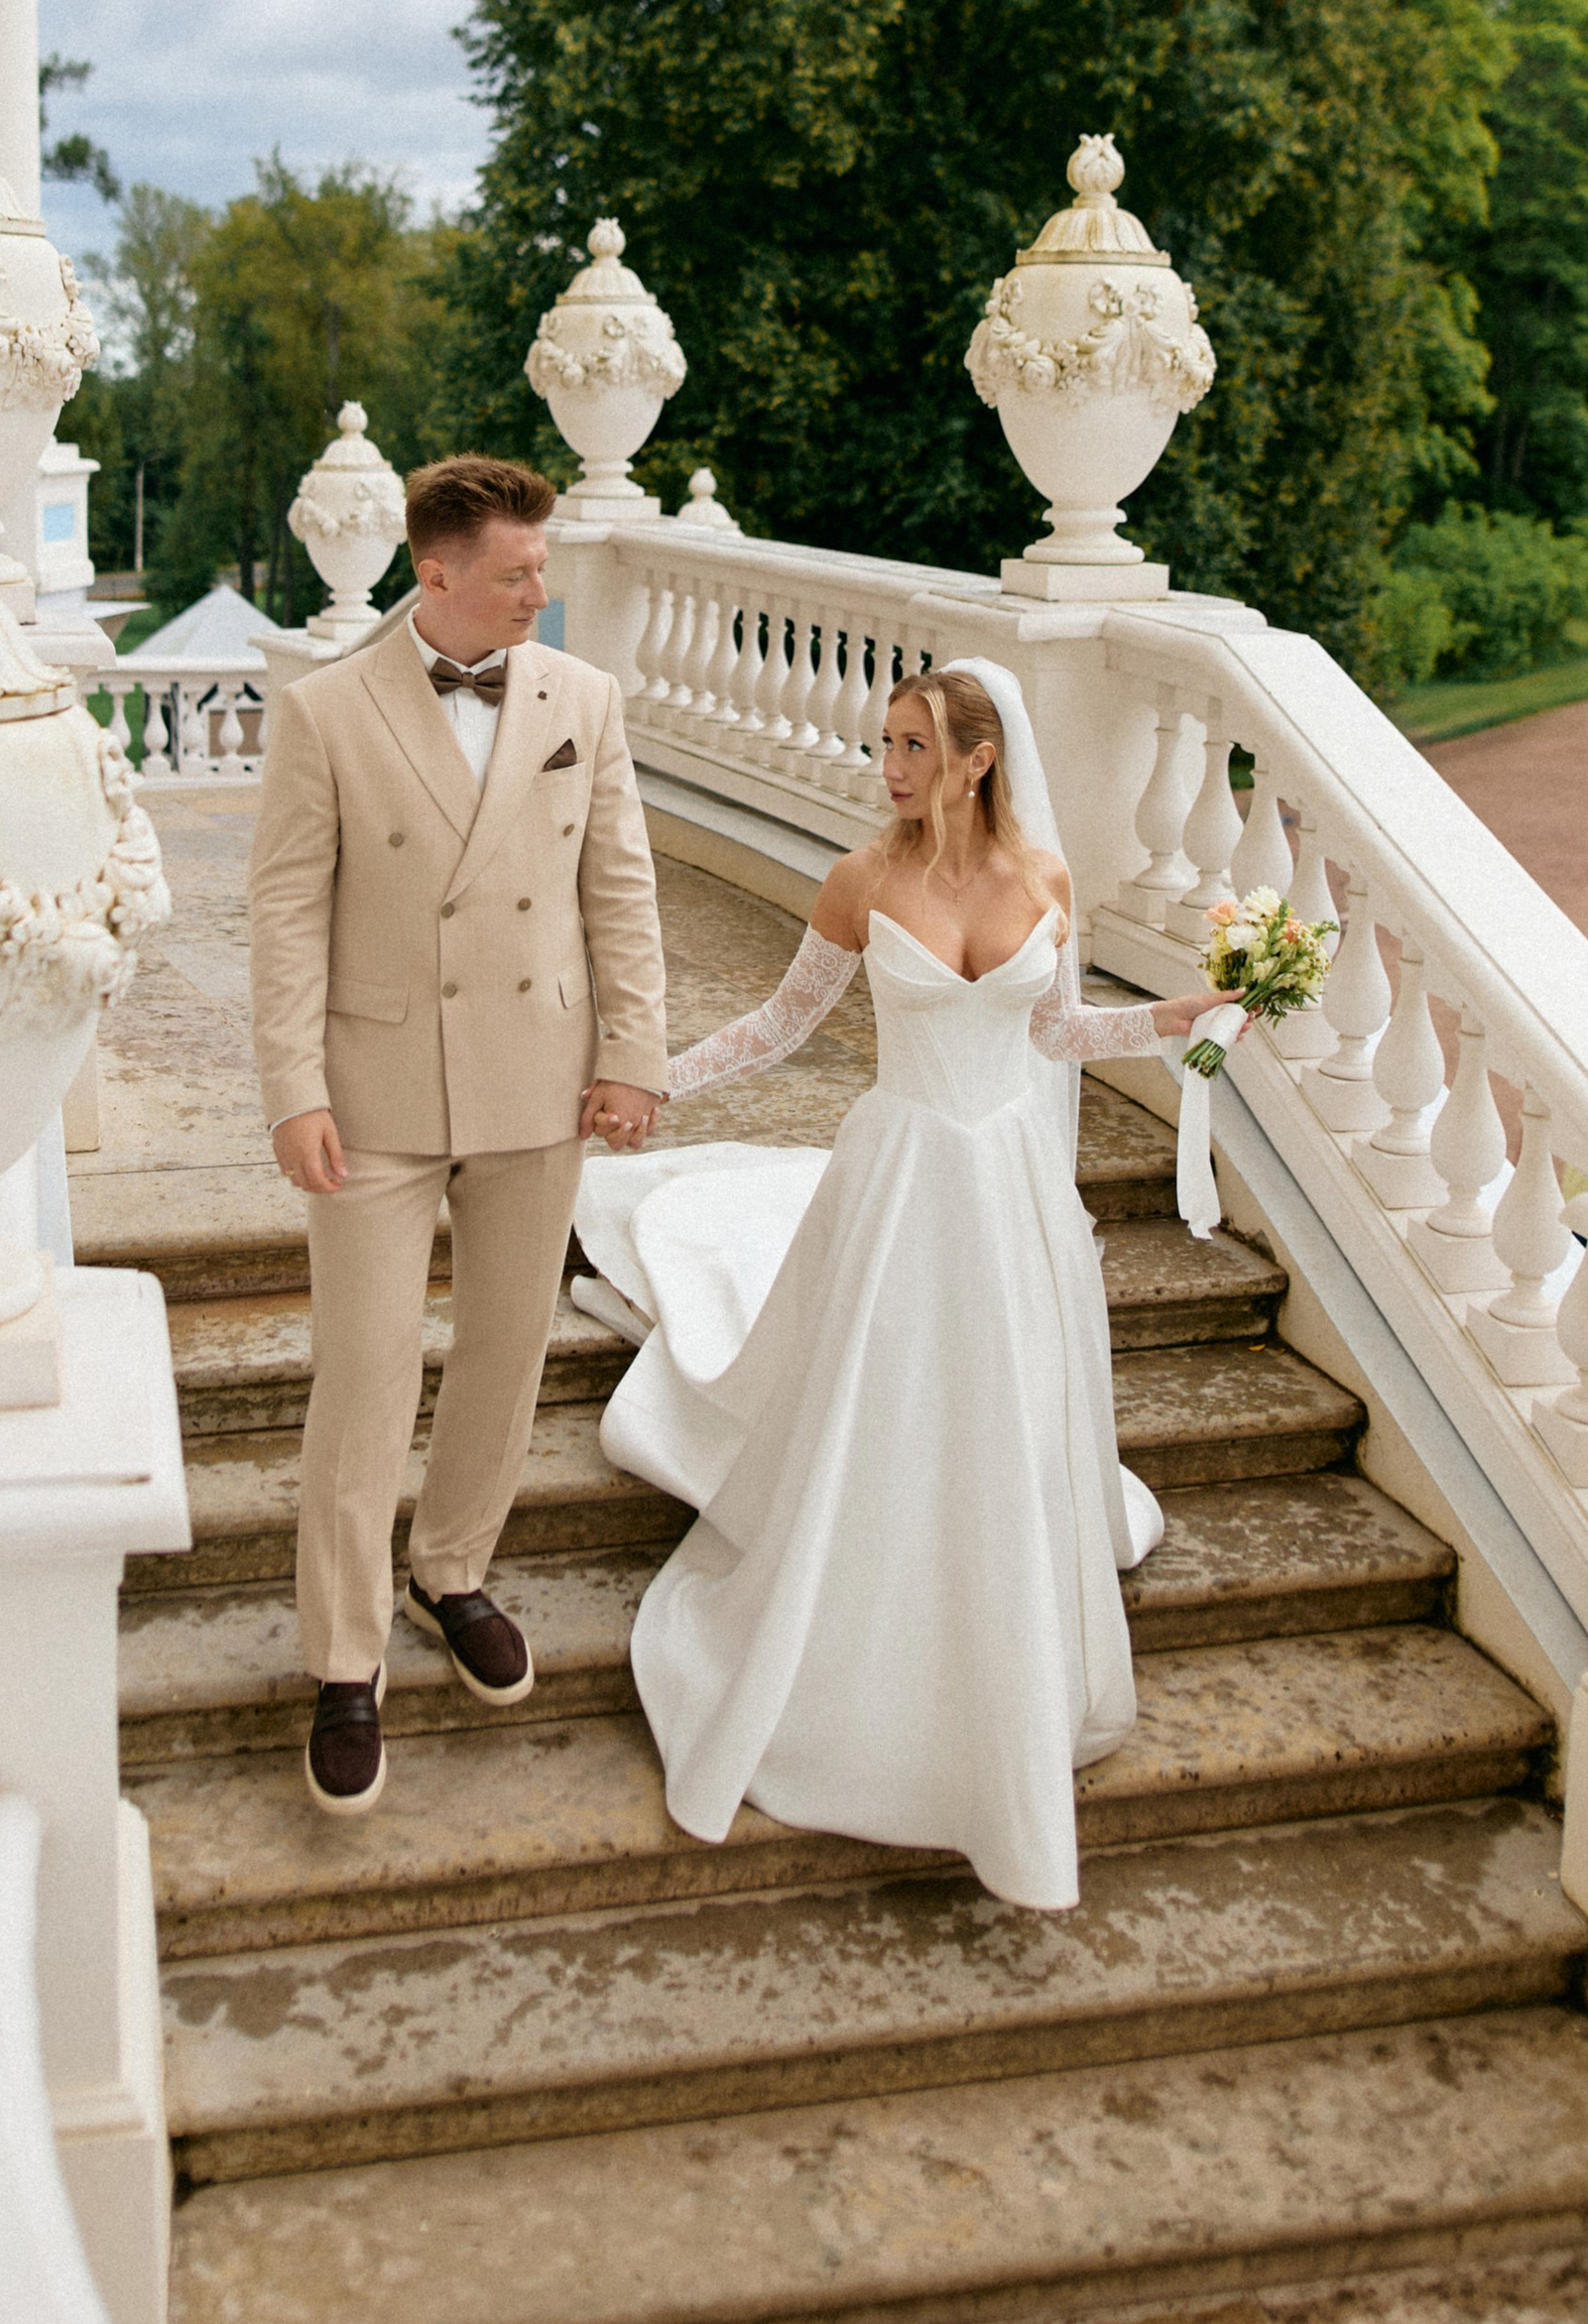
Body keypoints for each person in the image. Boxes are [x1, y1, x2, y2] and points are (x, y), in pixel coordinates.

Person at [573, 657, 1224, 1911]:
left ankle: (1005, 1657)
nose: (889, 767)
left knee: (1002, 1415)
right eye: (886, 743)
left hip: (1008, 1185)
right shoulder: (862, 879)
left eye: (912, 745)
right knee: (886, 1404)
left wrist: (1186, 1014)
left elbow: (1054, 1035)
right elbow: (778, 1027)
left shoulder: (1045, 879)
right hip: (901, 1172)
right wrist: (647, 1081)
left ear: (977, 759)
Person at [249, 452, 670, 1818]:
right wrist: (292, 1089)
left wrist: (634, 1056)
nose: (540, 591)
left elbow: (623, 891)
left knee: (505, 1348)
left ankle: (456, 1571)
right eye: (515, 574)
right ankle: (343, 1658)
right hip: (370, 1090)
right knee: (365, 1372)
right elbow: (281, 917)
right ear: (435, 575)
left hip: (537, 1076)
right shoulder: (322, 713)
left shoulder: (583, 701)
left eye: (540, 569)